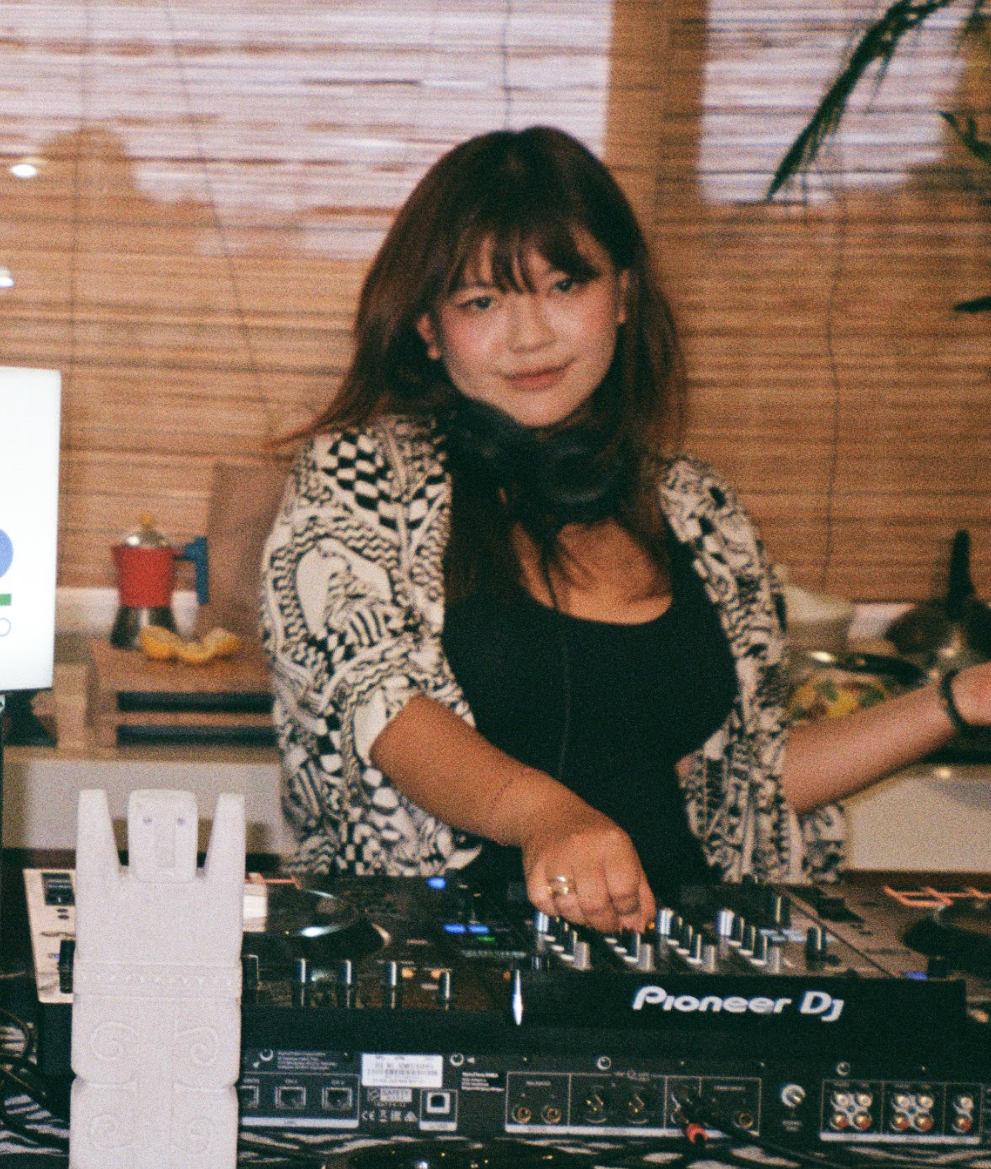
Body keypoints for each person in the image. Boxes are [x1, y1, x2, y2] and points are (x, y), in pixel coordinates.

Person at [261, 126, 991, 931]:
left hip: (681, 965)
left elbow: (748, 780)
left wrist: (958, 701)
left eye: (565, 285)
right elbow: (380, 708)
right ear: (428, 329)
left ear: (623, 296)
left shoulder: (698, 509)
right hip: (437, 961)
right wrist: (545, 816)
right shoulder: (359, 477)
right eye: (482, 301)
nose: (531, 335)